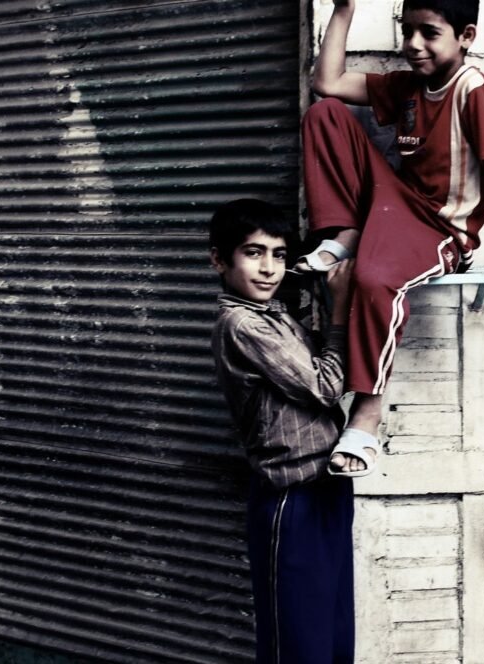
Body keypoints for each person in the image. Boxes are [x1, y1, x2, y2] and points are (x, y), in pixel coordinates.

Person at [295, 0, 484, 478]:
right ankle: (347, 232)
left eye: (429, 33)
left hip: (439, 228)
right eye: (406, 31)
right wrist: (344, 10)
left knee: (373, 279)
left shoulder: (475, 91)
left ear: (465, 37)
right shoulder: (409, 85)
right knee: (325, 114)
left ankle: (366, 412)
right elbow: (327, 82)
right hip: (393, 205)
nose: (412, 45)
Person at [209, 198, 356, 663]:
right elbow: (326, 386)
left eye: (279, 254)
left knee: (333, 632)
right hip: (290, 499)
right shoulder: (242, 324)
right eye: (253, 253)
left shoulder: (276, 313)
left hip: (328, 486)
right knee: (297, 643)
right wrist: (340, 311)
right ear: (219, 260)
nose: (269, 268)